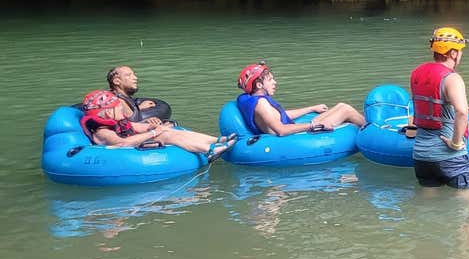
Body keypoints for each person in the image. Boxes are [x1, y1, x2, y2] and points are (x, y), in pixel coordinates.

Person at [80, 90, 236, 162]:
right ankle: (208, 150)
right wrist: (154, 133)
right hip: (127, 153)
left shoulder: (119, 122)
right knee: (165, 135)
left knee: (168, 129)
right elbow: (123, 143)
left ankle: (217, 140)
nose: (121, 108)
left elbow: (138, 127)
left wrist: (154, 127)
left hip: (136, 143)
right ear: (106, 113)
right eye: (117, 107)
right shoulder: (102, 132)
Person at [410, 27, 469, 190]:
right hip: (449, 156)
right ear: (452, 53)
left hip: (421, 154)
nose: (461, 55)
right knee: (464, 203)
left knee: (428, 204)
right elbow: (462, 111)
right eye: (459, 51)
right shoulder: (452, 78)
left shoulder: (417, 73)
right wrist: (456, 143)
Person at [236, 61, 365, 136]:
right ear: (259, 85)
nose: (275, 82)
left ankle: (368, 125)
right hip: (295, 137)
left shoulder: (252, 99)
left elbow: (280, 116)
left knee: (341, 105)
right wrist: (313, 125)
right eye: (270, 80)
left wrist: (311, 108)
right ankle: (375, 130)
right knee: (346, 110)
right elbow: (281, 130)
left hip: (295, 130)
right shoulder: (261, 104)